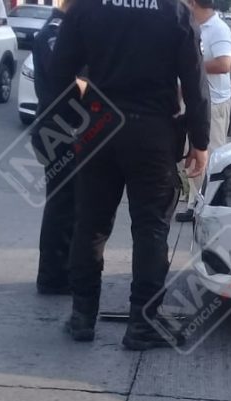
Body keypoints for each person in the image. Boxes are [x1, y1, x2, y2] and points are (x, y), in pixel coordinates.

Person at [51, 0, 211, 350]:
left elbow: (58, 69)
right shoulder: (175, 12)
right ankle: (142, 324)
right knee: (151, 228)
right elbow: (195, 81)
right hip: (152, 134)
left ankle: (82, 316)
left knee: (90, 224)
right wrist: (200, 141)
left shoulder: (87, 7)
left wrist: (73, 121)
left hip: (96, 129)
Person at [31, 0, 75, 295]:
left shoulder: (67, 29)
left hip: (61, 126)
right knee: (62, 203)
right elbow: (64, 76)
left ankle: (61, 269)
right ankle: (52, 276)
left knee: (69, 203)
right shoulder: (55, 31)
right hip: (57, 128)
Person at [175, 0, 231, 223]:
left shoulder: (218, 29)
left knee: (212, 155)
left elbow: (224, 64)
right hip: (195, 100)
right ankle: (194, 204)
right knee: (192, 154)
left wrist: (192, 65)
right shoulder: (191, 26)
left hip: (215, 103)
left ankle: (212, 206)